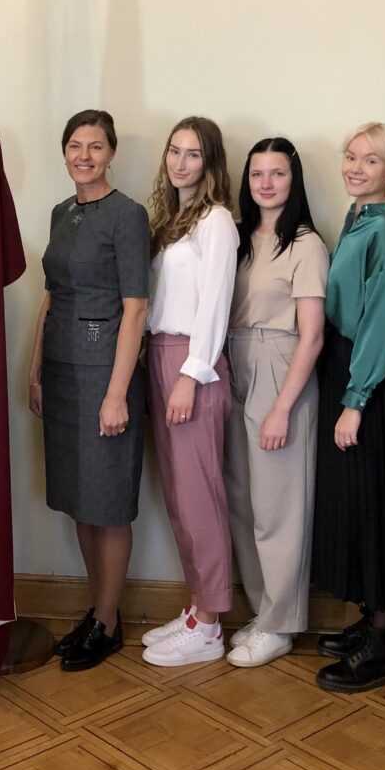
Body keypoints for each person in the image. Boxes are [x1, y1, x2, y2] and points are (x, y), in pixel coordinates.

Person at [28, 109, 149, 672]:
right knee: (79, 496)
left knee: (108, 502)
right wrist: (33, 369)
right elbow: (50, 295)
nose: (84, 156)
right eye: (74, 145)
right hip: (60, 367)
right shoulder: (61, 212)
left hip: (104, 368)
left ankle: (108, 619)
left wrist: (117, 391)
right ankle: (97, 610)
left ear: (110, 153)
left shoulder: (128, 215)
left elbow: (136, 307)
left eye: (95, 146)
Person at [312, 122, 385, 693]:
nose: (355, 167)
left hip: (370, 379)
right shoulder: (358, 219)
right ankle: (371, 623)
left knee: (379, 502)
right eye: (350, 156)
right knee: (355, 501)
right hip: (347, 366)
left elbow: (381, 318)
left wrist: (356, 401)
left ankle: (384, 643)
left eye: (370, 161)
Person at [223, 138, 328, 667]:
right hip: (235, 360)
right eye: (257, 173)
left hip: (280, 365)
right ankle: (263, 612)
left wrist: (283, 407)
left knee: (277, 506)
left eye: (278, 174)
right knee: (242, 501)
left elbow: (312, 336)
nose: (266, 183)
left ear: (294, 180)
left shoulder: (306, 244)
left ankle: (283, 622)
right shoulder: (239, 238)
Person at [140, 117, 238, 667]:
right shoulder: (173, 220)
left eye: (193, 154)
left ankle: (211, 623)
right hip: (160, 353)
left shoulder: (217, 221)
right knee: (177, 494)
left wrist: (190, 373)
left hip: (191, 363)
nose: (180, 162)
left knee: (200, 497)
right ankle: (197, 605)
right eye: (174, 151)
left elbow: (216, 302)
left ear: (210, 162)